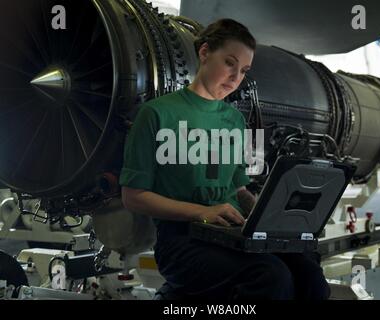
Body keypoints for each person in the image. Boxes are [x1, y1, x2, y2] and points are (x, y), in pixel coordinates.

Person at [119, 18, 330, 300]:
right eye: (230, 62)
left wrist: (268, 218)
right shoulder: (156, 114)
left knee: (309, 271)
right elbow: (133, 197)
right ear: (204, 53)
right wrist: (202, 212)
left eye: (243, 70)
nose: (235, 77)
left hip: (231, 233)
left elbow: (238, 189)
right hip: (182, 240)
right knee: (270, 276)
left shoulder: (235, 121)